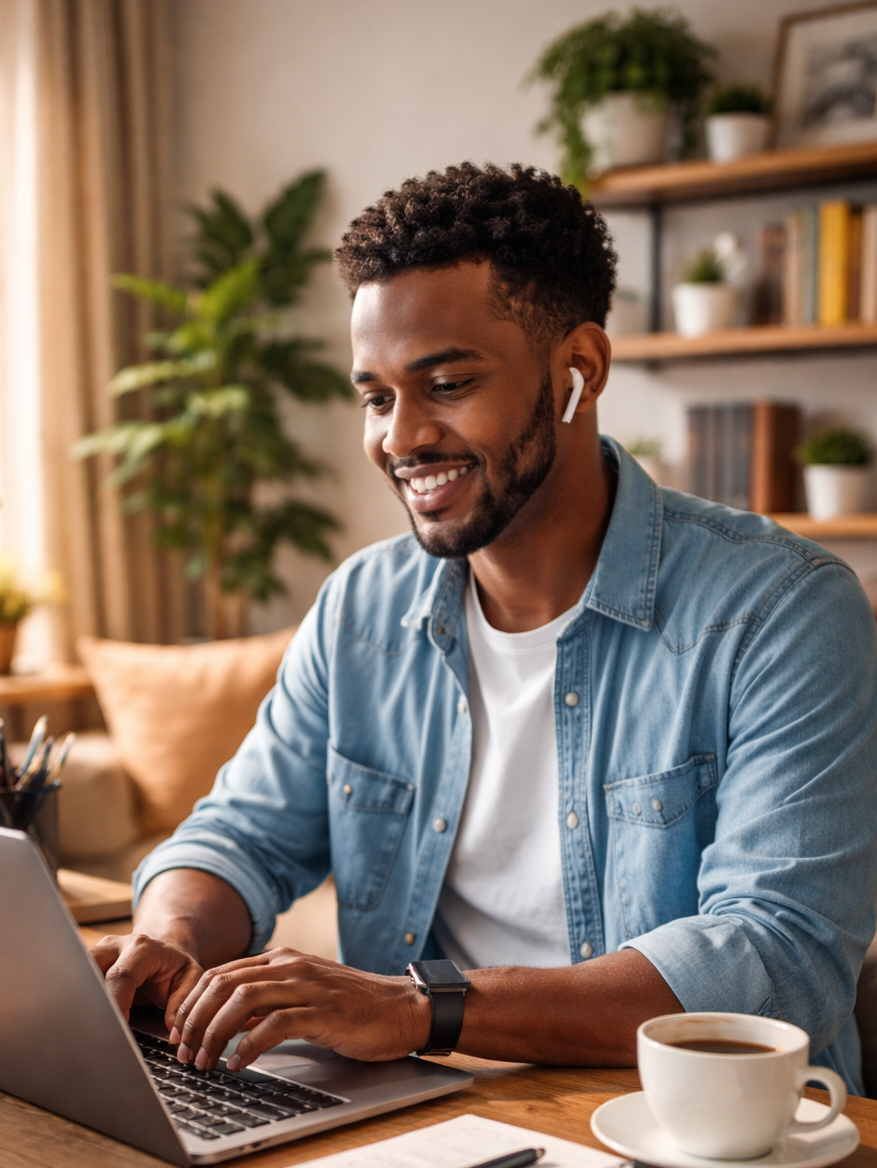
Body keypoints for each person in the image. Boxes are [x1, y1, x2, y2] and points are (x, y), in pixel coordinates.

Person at [94, 163, 877, 1095]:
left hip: (690, 1132)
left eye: (449, 383)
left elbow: (775, 958)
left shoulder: (782, 609)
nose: (401, 437)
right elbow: (242, 835)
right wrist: (170, 937)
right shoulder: (362, 609)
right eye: (377, 397)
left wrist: (421, 1008)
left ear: (579, 370)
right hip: (414, 1117)